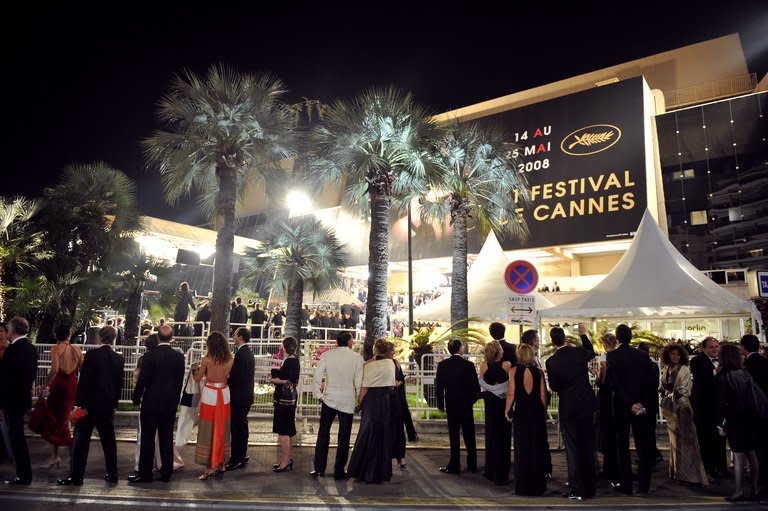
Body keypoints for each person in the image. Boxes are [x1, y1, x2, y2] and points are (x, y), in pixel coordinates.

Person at [57, 326, 124, 486]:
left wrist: (78, 403)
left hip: (89, 405)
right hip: (107, 405)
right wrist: (114, 403)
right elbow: (118, 384)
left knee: (81, 441)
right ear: (113, 338)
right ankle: (112, 474)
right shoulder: (118, 358)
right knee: (109, 441)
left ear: (100, 338)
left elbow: (85, 381)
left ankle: (76, 476)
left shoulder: (92, 355)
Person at [545, 324, 597, 500]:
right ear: (565, 338)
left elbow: (554, 386)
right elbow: (591, 351)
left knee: (573, 448)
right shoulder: (578, 352)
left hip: (568, 406)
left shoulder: (551, 362)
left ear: (552, 342)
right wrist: (583, 335)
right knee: (588, 445)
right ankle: (591, 485)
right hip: (587, 404)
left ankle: (576, 487)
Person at [130, 325, 185, 484]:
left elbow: (142, 381)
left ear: (158, 337)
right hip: (169, 403)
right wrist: (175, 400)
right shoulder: (178, 357)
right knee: (167, 438)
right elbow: (178, 382)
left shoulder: (149, 356)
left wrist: (136, 398)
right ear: (171, 338)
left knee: (147, 439)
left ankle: (145, 474)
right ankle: (166, 472)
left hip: (151, 402)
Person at [607, 324, 658, 495]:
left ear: (617, 338)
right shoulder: (643, 356)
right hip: (641, 406)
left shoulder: (612, 356)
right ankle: (644, 485)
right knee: (642, 445)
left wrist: (629, 403)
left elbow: (616, 384)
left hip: (622, 405)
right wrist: (641, 403)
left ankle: (626, 484)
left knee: (622, 445)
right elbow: (649, 382)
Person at [311, 331, 364, 479]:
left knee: (323, 434)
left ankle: (319, 468)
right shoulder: (357, 358)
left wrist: (319, 395)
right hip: (347, 401)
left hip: (329, 399)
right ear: (349, 342)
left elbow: (317, 376)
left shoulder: (328, 355)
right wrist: (359, 401)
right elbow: (359, 383)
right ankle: (339, 470)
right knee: (344, 437)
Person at [715, 343, 761, 502]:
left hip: (735, 420)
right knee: (752, 453)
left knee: (739, 455)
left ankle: (739, 491)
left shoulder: (722, 377)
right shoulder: (745, 374)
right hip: (751, 418)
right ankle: (755, 489)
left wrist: (722, 424)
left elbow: (722, 404)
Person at [348, 339, 397, 483]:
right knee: (382, 434)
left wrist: (359, 403)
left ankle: (364, 470)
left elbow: (365, 387)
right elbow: (392, 385)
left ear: (376, 349)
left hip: (371, 400)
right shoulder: (391, 364)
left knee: (367, 433)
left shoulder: (369, 365)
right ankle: (381, 471)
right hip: (385, 400)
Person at [659, 343, 709, 485]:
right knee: (674, 441)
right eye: (672, 354)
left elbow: (683, 391)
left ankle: (689, 475)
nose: (675, 356)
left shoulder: (684, 369)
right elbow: (662, 387)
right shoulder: (666, 368)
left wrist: (668, 394)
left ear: (681, 356)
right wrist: (664, 395)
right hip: (669, 409)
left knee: (687, 440)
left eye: (677, 354)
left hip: (682, 408)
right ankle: (675, 472)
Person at [506, 343, 548, 495]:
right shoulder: (539, 372)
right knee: (537, 447)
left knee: (522, 448)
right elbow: (543, 395)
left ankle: (523, 486)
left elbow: (511, 394)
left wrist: (507, 410)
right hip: (536, 411)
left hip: (522, 412)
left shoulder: (513, 371)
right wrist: (544, 410)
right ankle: (537, 486)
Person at [39, 324, 83, 469]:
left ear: (56, 335)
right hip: (72, 385)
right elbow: (83, 369)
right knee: (66, 419)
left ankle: (55, 457)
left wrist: (45, 384)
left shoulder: (56, 349)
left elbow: (55, 370)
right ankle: (72, 457)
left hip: (58, 385)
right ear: (69, 335)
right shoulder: (77, 350)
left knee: (53, 419)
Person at [0, 317, 38, 485]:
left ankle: (23, 475)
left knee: (17, 438)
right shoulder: (30, 348)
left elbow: (6, 379)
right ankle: (24, 474)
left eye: (7, 328)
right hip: (22, 399)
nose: (6, 331)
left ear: (13, 330)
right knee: (18, 437)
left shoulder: (13, 350)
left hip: (12, 400)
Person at [193, 331, 234, 480]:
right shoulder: (230, 359)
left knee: (207, 429)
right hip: (224, 394)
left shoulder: (207, 359)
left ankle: (209, 467)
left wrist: (194, 370)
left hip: (210, 394)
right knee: (223, 427)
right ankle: (221, 463)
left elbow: (197, 378)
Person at [435, 338, 480, 475]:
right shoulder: (468, 365)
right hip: (466, 404)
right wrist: (471, 400)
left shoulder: (443, 365)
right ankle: (472, 465)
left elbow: (439, 387)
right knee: (469, 435)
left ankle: (454, 465)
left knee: (454, 436)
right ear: (460, 349)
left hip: (452, 404)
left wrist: (441, 404)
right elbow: (475, 387)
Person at [690, 336, 728, 479]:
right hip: (704, 406)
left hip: (719, 406)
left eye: (717, 346)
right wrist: (716, 372)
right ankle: (709, 468)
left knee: (720, 437)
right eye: (711, 347)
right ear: (704, 349)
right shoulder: (697, 361)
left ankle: (722, 467)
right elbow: (701, 380)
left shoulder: (724, 360)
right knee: (706, 439)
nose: (715, 349)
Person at [520, 328, 552, 477]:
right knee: (537, 438)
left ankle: (544, 467)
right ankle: (542, 468)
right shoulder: (529, 363)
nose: (540, 341)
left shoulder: (535, 359)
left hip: (535, 405)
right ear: (532, 341)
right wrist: (544, 406)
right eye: (538, 338)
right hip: (535, 406)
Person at [478, 341, 511, 485]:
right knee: (504, 436)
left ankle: (490, 470)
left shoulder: (483, 365)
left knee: (491, 434)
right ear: (499, 352)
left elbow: (483, 385)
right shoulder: (507, 365)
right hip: (503, 402)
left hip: (490, 402)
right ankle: (502, 472)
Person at [225, 327, 255, 471]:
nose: (233, 336)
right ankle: (241, 455)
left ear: (241, 337)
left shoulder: (241, 354)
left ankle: (237, 457)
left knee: (237, 429)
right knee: (241, 427)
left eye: (235, 334)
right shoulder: (247, 353)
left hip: (239, 397)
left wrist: (225, 380)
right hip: (245, 396)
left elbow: (236, 377)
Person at [741, 334, 768, 491]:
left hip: (754, 411)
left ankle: (760, 482)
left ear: (743, 347)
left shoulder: (749, 364)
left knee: (758, 450)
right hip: (765, 409)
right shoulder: (764, 361)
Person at [270, 336, 300, 473]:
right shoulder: (294, 361)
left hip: (284, 400)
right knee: (287, 429)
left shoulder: (289, 362)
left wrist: (275, 379)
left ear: (284, 347)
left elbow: (287, 380)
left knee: (283, 431)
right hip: (290, 400)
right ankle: (287, 459)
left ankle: (285, 460)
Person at [133, 334, 162, 474]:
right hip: (161, 401)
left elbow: (138, 382)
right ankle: (160, 463)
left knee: (144, 435)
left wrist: (136, 398)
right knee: (161, 436)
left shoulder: (143, 360)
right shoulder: (161, 359)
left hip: (147, 400)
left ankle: (142, 465)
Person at [387, 342, 416, 470]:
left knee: (396, 430)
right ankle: (399, 458)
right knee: (396, 430)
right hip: (394, 401)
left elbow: (400, 380)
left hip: (392, 401)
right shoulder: (392, 363)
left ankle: (399, 457)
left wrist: (398, 382)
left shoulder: (394, 363)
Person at [597, 333, 619, 483]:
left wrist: (598, 377)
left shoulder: (605, 358)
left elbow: (603, 379)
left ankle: (609, 468)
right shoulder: (619, 356)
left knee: (606, 433)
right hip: (617, 397)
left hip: (606, 399)